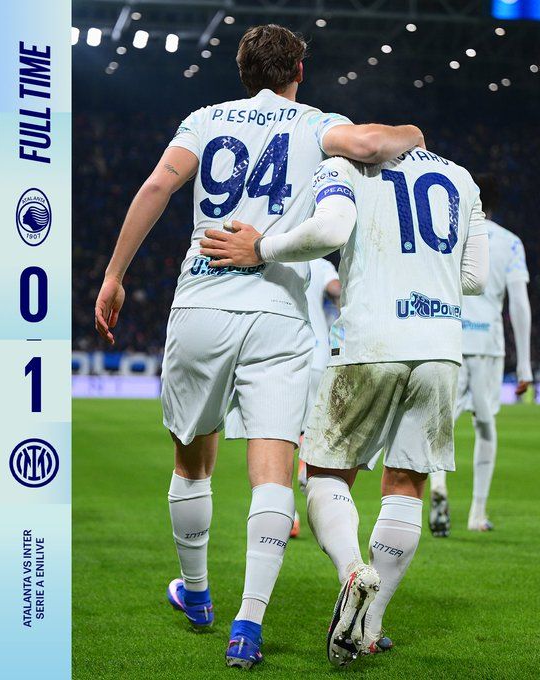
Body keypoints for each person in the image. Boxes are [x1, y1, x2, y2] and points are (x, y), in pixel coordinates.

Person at [94, 23, 424, 670]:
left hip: (202, 300)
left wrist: (114, 275)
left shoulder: (204, 119)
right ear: (299, 69)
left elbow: (157, 188)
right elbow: (370, 145)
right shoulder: (317, 123)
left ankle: (196, 594)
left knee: (191, 462)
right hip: (277, 310)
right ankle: (248, 624)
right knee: (272, 471)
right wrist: (413, 132)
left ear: (243, 71)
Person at [199, 146, 489, 666]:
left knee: (325, 475)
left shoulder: (345, 165)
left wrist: (261, 247)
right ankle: (370, 627)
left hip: (371, 341)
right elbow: (475, 278)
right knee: (406, 485)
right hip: (441, 347)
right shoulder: (463, 177)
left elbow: (330, 233)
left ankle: (354, 571)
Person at [429, 174, 533, 536]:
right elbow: (519, 304)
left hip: (450, 339)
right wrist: (524, 367)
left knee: (441, 423)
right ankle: (477, 513)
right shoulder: (510, 243)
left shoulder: (446, 234)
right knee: (486, 427)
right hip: (488, 344)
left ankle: (438, 483)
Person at [293, 258, 341, 536]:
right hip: (318, 352)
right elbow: (337, 291)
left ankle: (288, 514)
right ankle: (306, 462)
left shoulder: (279, 253)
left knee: (278, 434)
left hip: (285, 351)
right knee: (312, 426)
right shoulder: (322, 265)